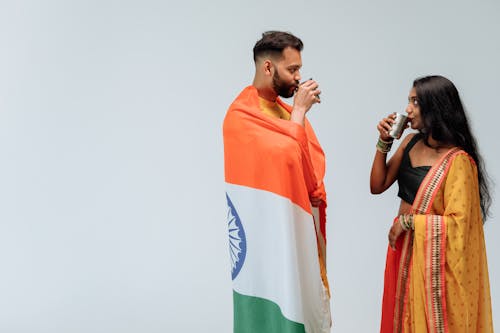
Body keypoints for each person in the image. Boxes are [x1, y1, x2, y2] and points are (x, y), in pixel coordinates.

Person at [223, 31, 331, 333]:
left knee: (299, 303)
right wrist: (299, 112)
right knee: (274, 307)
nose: (299, 77)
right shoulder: (241, 116)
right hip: (264, 239)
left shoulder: (284, 112)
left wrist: (295, 114)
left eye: (299, 69)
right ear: (268, 67)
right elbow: (288, 157)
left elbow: (309, 170)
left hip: (295, 228)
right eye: (292, 69)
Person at [370, 75, 493, 332]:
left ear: (435, 107)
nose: (408, 109)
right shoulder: (410, 142)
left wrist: (408, 221)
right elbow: (377, 185)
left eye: (415, 102)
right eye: (408, 101)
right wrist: (384, 142)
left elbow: (459, 226)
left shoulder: (458, 161)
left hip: (433, 267)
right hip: (403, 254)